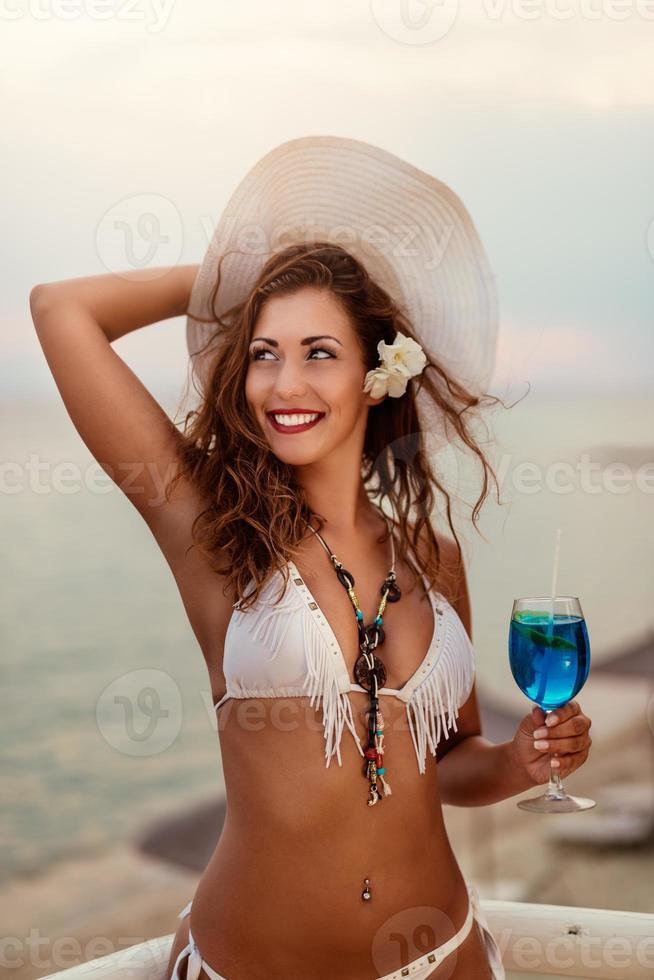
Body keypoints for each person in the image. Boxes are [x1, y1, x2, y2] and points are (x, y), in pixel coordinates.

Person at [30, 136, 593, 980]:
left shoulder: (431, 560)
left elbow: (446, 766)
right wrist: (236, 275)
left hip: (442, 955)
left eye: (319, 352)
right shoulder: (214, 536)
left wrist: (519, 763)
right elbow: (59, 310)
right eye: (264, 352)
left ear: (377, 371)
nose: (283, 383)